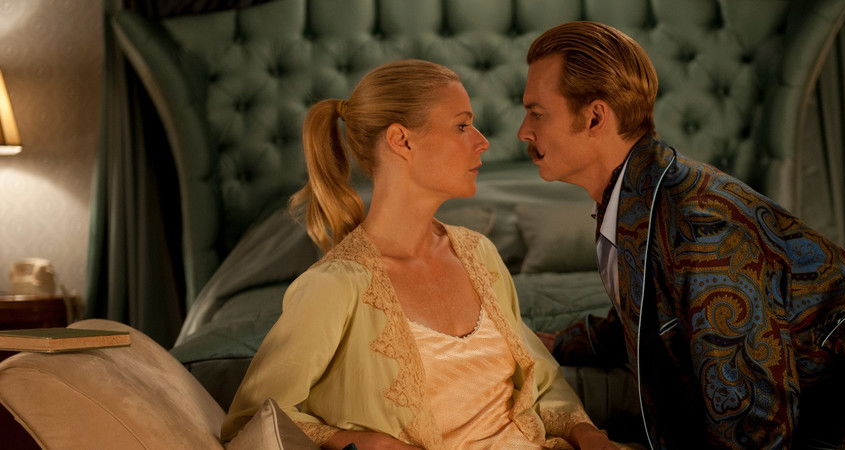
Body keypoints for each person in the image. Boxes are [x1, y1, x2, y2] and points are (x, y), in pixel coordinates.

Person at [518, 21, 845, 449]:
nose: (523, 131)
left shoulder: (701, 227)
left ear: (595, 117)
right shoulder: (634, 200)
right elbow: (652, 310)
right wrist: (557, 341)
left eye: (537, 113)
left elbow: (754, 426)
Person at [222, 59, 615, 450]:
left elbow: (541, 379)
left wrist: (589, 435)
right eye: (462, 126)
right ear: (401, 140)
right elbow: (252, 419)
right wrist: (361, 442)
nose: (482, 141)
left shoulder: (478, 253)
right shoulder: (335, 287)